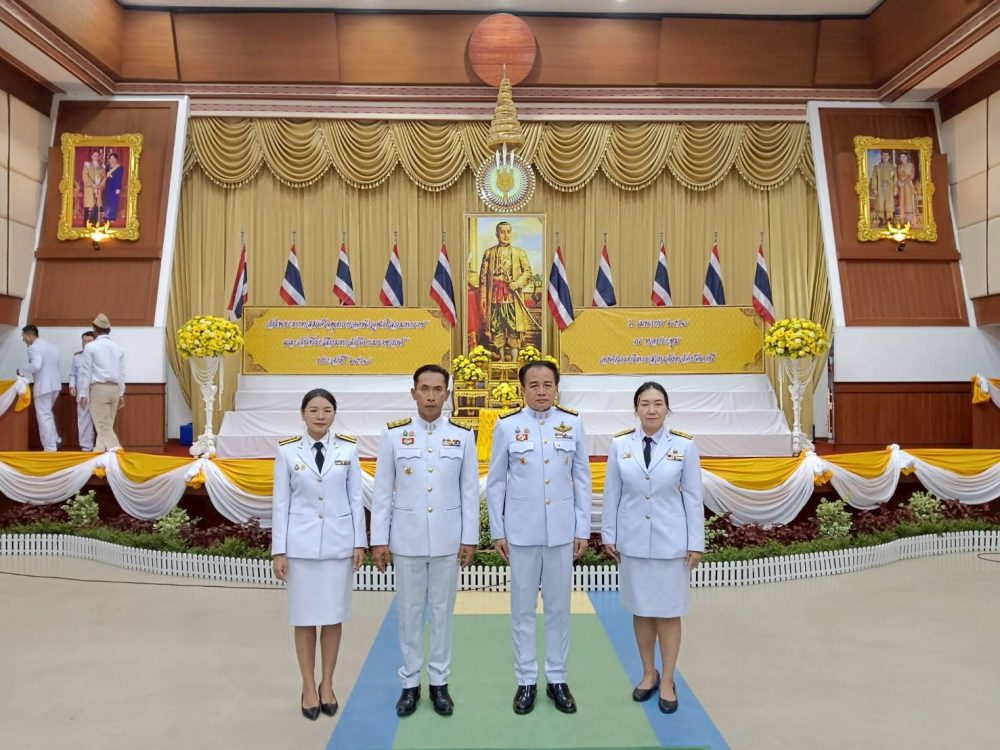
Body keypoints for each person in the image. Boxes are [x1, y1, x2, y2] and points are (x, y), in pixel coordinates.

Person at [371, 364, 479, 718]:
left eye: (437, 390)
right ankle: (409, 684)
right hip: (407, 538)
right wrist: (379, 540)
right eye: (424, 389)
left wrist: (469, 538)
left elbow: (469, 491)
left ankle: (439, 683)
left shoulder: (462, 436)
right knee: (408, 612)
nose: (431, 396)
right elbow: (382, 492)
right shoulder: (393, 435)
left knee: (442, 612)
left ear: (447, 394)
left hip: (448, 539)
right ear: (413, 392)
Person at [486, 360, 591, 715]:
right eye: (534, 385)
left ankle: (557, 678)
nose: (542, 391)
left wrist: (581, 528)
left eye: (548, 384)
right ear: (523, 389)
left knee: (559, 609)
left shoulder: (572, 423)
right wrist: (498, 530)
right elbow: (496, 482)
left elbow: (582, 479)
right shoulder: (507, 426)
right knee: (522, 610)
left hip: (561, 531)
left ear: (557, 388)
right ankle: (526, 680)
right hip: (521, 531)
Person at [601, 382, 704, 715]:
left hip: (671, 542)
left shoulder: (684, 446)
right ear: (636, 410)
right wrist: (609, 534)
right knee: (642, 610)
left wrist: (695, 542)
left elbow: (693, 497)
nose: (651, 409)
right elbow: (612, 493)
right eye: (644, 403)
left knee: (669, 613)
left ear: (667, 408)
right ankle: (648, 674)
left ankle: (668, 680)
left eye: (658, 403)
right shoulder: (620, 445)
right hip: (633, 540)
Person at [271, 389, 367, 721]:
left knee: (332, 616)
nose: (320, 416)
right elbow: (280, 503)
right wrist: (279, 550)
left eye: (327, 410)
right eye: (313, 410)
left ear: (334, 414)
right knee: (304, 617)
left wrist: (359, 543)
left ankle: (327, 683)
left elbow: (356, 499)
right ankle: (308, 686)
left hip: (338, 546)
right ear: (303, 414)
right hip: (300, 547)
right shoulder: (287, 451)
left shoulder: (348, 449)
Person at [478, 221, 534, 361]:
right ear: (497, 234)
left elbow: (528, 272)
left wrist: (518, 283)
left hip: (512, 297)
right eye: (502, 232)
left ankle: (514, 360)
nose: (506, 235)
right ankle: (502, 359)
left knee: (513, 327)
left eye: (508, 232)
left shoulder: (519, 252)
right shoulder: (489, 253)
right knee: (497, 326)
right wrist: (483, 297)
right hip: (494, 296)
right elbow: (483, 277)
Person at [78, 313, 126, 452]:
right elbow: (122, 373)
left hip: (99, 389)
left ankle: (118, 453)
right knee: (106, 426)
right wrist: (121, 393)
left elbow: (85, 372)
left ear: (94, 329)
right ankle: (98, 454)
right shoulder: (118, 348)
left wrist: (82, 393)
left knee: (103, 427)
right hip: (115, 390)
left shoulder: (90, 347)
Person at [16, 325, 61, 452]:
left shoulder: (33, 348)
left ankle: (50, 448)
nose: (23, 340)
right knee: (48, 414)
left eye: (24, 337)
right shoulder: (52, 347)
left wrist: (21, 370)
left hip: (43, 386)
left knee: (44, 417)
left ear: (30, 335)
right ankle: (55, 440)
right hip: (55, 386)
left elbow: (36, 365)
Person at [67, 331, 97, 452]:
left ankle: (102, 446)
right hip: (82, 393)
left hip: (97, 393)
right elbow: (73, 374)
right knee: (83, 419)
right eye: (84, 341)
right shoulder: (77, 357)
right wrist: (71, 386)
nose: (86, 343)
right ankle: (86, 446)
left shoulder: (100, 357)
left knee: (100, 420)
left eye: (89, 341)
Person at [869, 150, 896, 227]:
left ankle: (889, 220)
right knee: (880, 203)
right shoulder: (877, 167)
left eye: (886, 155)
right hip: (880, 187)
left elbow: (895, 179)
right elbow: (874, 177)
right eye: (884, 155)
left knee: (889, 203)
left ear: (889, 157)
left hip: (889, 188)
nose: (885, 157)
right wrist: (874, 188)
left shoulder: (892, 167)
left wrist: (895, 189)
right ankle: (881, 220)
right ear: (881, 156)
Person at [82, 149, 104, 224]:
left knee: (96, 205)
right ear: (92, 156)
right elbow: (85, 176)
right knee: (90, 205)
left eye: (97, 155)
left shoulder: (101, 167)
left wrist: (101, 185)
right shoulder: (88, 165)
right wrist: (92, 184)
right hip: (90, 188)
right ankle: (87, 222)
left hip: (98, 188)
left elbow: (104, 177)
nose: (96, 157)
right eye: (94, 155)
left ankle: (95, 222)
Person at [896, 152, 919, 226]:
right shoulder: (899, 166)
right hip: (901, 187)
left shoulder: (911, 165)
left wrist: (903, 183)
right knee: (902, 202)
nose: (902, 158)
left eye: (904, 157)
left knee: (909, 202)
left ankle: (911, 220)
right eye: (901, 157)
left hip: (908, 185)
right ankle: (903, 220)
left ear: (907, 157)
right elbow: (898, 177)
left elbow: (911, 176)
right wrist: (899, 182)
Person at [103, 152, 123, 222]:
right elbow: (104, 176)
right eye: (111, 158)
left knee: (113, 202)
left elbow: (119, 178)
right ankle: (106, 216)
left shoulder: (119, 168)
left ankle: (112, 218)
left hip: (115, 187)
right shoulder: (107, 167)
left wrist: (118, 188)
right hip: (108, 187)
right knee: (107, 201)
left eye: (113, 158)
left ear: (116, 159)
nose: (112, 160)